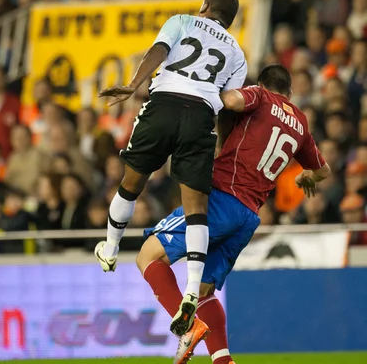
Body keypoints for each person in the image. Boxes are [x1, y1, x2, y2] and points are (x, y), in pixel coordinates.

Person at [136, 64, 330, 364]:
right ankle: (223, 360)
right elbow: (323, 170)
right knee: (203, 291)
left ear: (263, 85)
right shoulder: (301, 123)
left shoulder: (261, 97)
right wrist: (306, 177)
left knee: (148, 255)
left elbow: (232, 101)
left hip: (222, 199)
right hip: (249, 216)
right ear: (290, 92)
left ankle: (187, 331)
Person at [95, 0, 247, 336]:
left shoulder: (181, 21)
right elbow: (229, 104)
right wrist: (222, 147)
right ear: (231, 20)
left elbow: (159, 51)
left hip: (164, 104)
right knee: (196, 208)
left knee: (131, 183)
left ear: (205, 8)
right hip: (202, 117)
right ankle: (192, 288)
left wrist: (134, 84)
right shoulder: (237, 53)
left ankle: (111, 247)